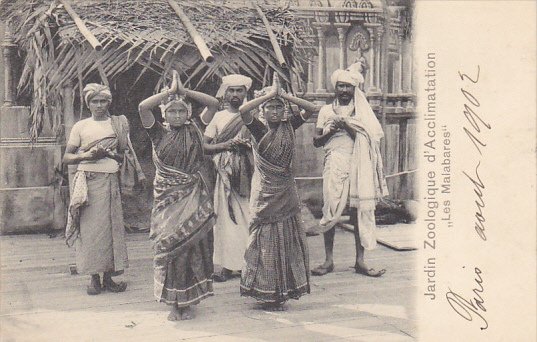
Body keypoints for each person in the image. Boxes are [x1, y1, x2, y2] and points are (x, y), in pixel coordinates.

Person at [138, 71, 219, 321]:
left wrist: (184, 93)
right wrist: (170, 92)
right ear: (164, 114)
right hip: (168, 199)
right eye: (171, 111)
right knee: (171, 247)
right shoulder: (158, 133)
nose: (176, 115)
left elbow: (214, 104)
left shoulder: (195, 129)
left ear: (188, 113)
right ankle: (173, 302)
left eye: (181, 111)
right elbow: (143, 106)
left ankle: (189, 299)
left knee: (194, 247)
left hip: (193, 195)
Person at [238, 75, 319, 310]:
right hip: (265, 191)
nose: (274, 111)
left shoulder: (288, 126)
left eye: (278, 107)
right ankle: (263, 290)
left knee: (287, 238)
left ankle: (283, 290)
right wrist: (268, 95)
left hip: (286, 190)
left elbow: (312, 108)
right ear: (262, 110)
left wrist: (282, 94)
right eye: (270, 107)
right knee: (263, 240)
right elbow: (244, 110)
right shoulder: (257, 127)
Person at [64, 83, 144, 295]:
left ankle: (109, 278)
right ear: (88, 103)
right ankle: (93, 278)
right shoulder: (81, 126)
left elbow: (124, 156)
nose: (99, 105)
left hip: (110, 181)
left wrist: (108, 154)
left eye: (103, 101)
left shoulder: (117, 125)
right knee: (90, 231)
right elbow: (67, 157)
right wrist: (86, 156)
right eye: (94, 101)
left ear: (109, 102)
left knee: (111, 230)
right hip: (88, 182)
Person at [311, 69, 388, 277]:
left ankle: (360, 261)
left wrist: (347, 124)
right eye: (340, 86)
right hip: (334, 162)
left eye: (348, 86)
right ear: (335, 87)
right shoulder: (326, 111)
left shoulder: (361, 112)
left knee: (358, 210)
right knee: (330, 208)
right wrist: (333, 130)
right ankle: (328, 260)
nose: (344, 90)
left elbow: (369, 141)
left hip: (358, 163)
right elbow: (316, 142)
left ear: (355, 89)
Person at [203, 74, 254, 282]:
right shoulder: (218, 117)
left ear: (245, 93)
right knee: (224, 218)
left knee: (246, 217)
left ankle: (246, 264)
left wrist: (247, 147)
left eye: (239, 90)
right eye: (231, 91)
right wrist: (226, 146)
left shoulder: (252, 116)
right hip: (224, 174)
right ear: (225, 93)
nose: (235, 94)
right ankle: (226, 266)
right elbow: (205, 146)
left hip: (247, 173)